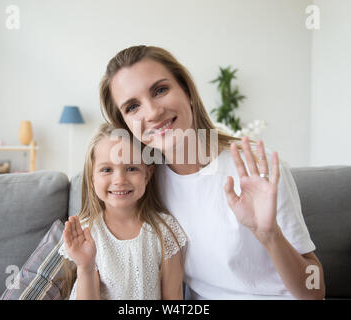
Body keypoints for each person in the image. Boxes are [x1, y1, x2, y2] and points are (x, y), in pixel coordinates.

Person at [98, 45, 326, 300]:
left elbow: (315, 291)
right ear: (126, 125)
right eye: (132, 107)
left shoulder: (255, 167)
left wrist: (271, 236)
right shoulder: (144, 181)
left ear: (187, 92)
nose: (152, 112)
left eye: (160, 90)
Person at [58, 123, 187, 300]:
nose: (119, 180)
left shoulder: (165, 230)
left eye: (131, 168)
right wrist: (85, 267)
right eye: (107, 170)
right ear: (92, 178)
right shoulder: (87, 232)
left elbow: (173, 299)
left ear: (147, 175)